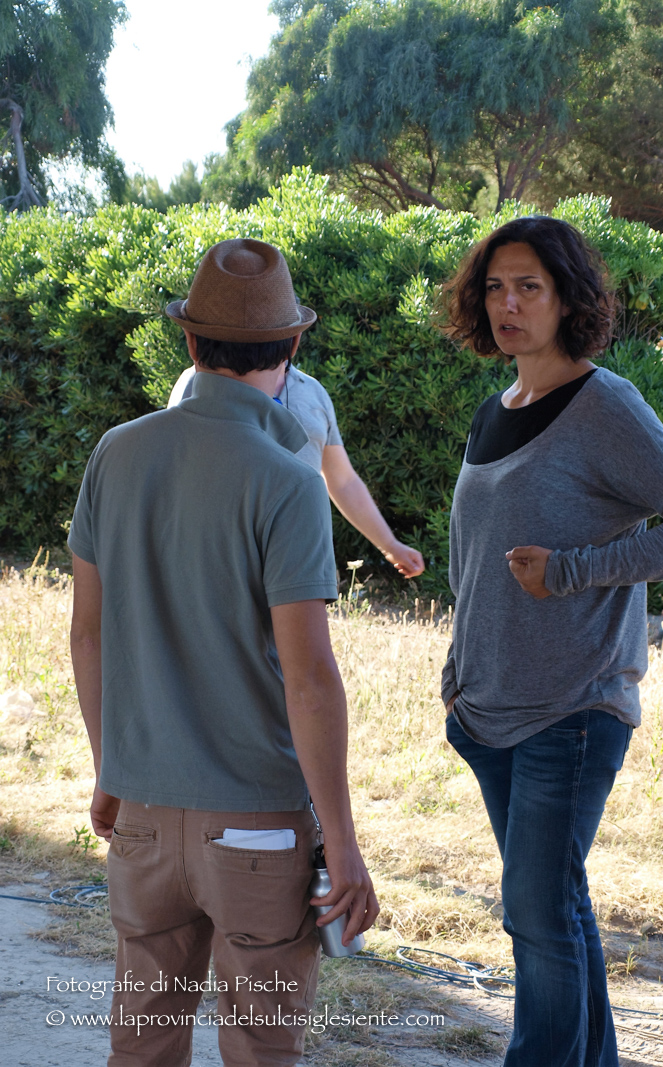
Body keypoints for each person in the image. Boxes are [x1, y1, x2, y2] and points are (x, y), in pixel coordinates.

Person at [69, 238, 379, 1066]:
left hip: (139, 811)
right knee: (260, 1050)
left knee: (140, 1047)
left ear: (189, 340)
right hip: (260, 828)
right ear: (294, 344)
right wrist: (344, 844)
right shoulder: (289, 479)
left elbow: (88, 633)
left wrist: (110, 768)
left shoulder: (115, 452)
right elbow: (310, 679)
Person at [439, 216, 663, 1067]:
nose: (508, 304)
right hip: (489, 709)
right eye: (495, 287)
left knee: (536, 912)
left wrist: (572, 570)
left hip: (571, 709)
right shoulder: (495, 411)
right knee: (553, 908)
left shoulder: (606, 404)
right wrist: (458, 672)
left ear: (568, 298)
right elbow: (473, 561)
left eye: (529, 286)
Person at [168, 350, 425, 580]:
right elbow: (175, 470)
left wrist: (390, 546)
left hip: (298, 555)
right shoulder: (197, 382)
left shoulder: (313, 392)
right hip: (223, 557)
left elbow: (343, 481)